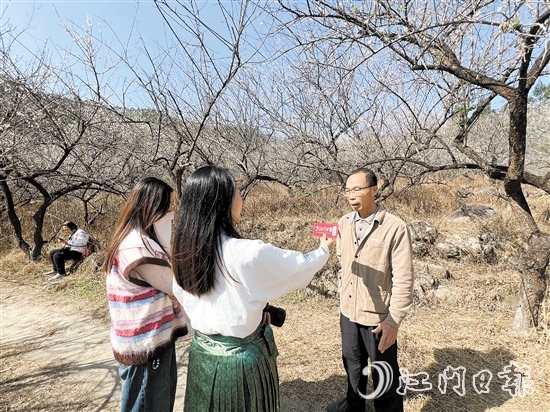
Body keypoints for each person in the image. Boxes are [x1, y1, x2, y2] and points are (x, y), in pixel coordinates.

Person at [171, 165, 334, 412]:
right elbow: (298, 267)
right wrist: (324, 249)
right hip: (239, 363)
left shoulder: (182, 252)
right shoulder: (247, 253)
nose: (241, 197)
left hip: (202, 355)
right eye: (237, 191)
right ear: (222, 201)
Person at [327, 168, 414, 412]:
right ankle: (353, 406)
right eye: (347, 190)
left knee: (383, 373)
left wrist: (393, 321)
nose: (350, 195)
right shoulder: (343, 223)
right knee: (353, 366)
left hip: (378, 318)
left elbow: (404, 278)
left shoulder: (394, 227)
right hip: (349, 312)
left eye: (357, 189)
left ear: (374, 190)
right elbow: (343, 261)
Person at [103, 177, 190, 412]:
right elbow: (176, 286)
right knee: (147, 406)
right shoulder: (136, 247)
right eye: (168, 206)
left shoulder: (142, 240)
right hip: (146, 346)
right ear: (151, 208)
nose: (172, 212)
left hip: (151, 339)